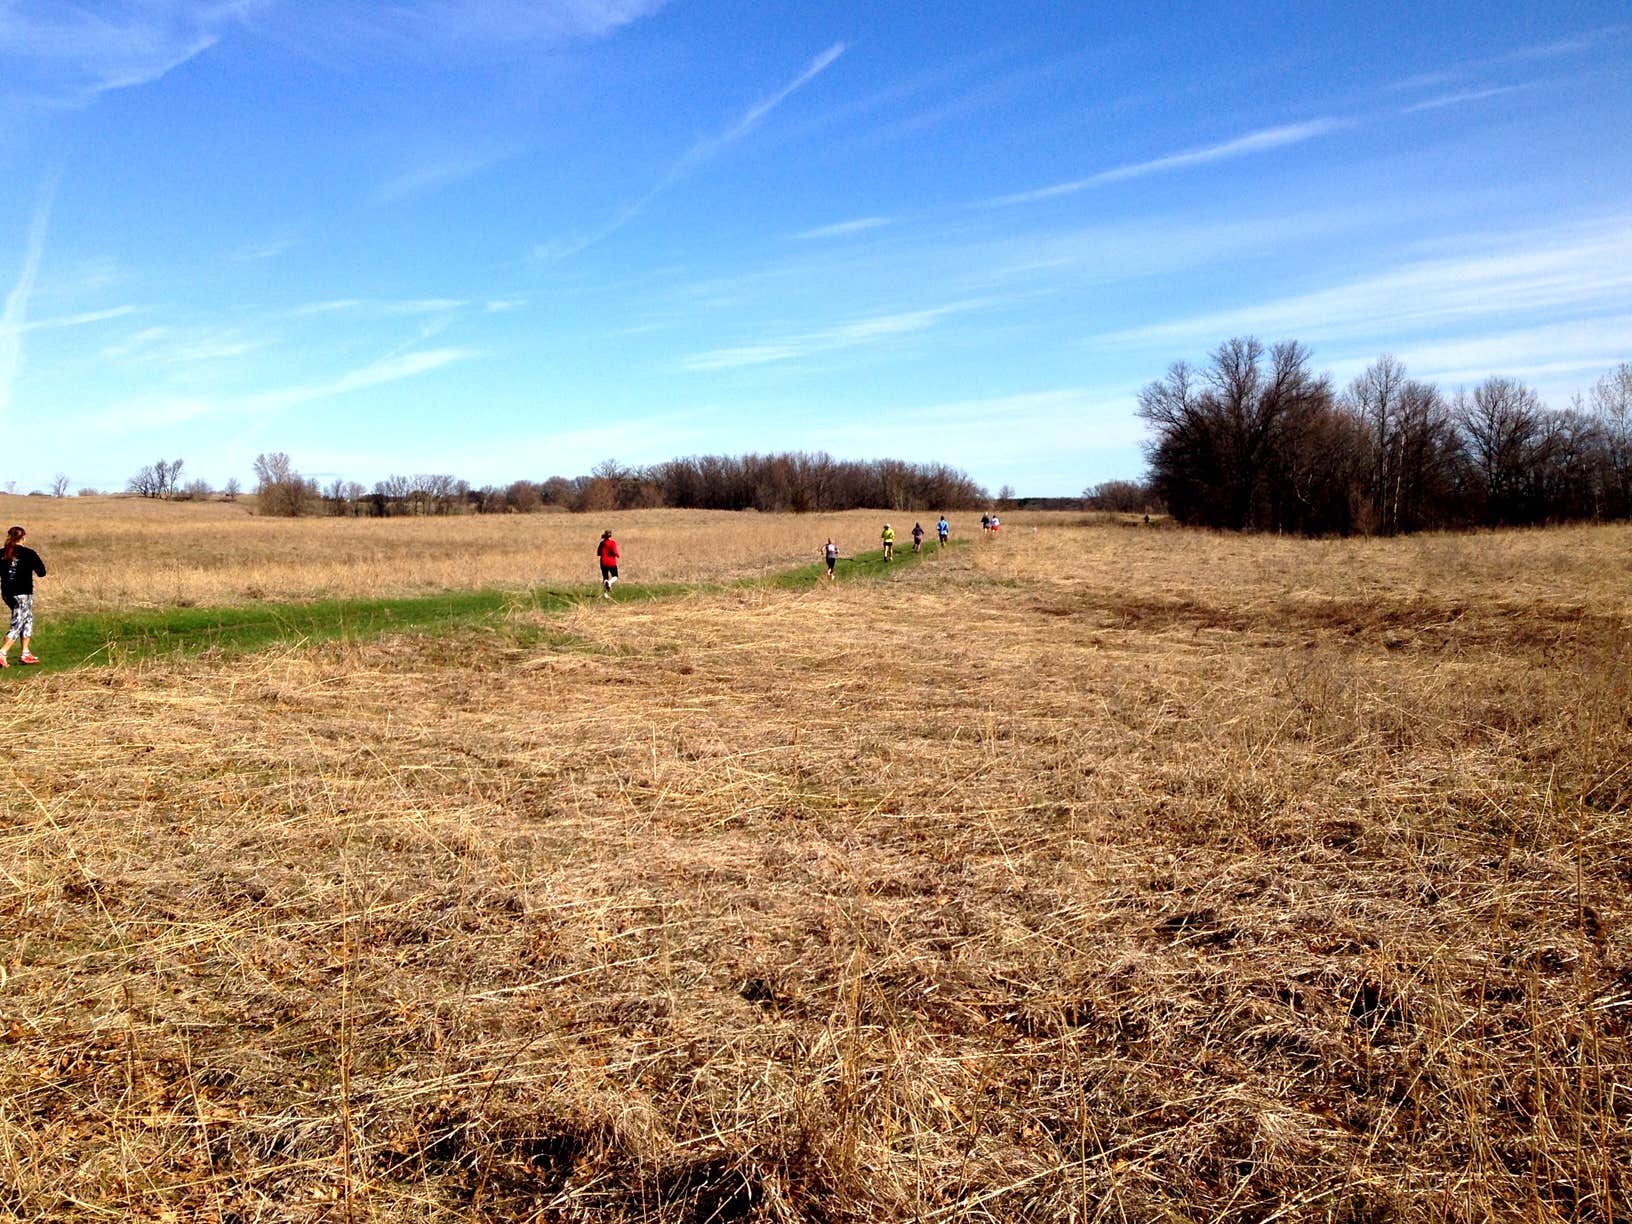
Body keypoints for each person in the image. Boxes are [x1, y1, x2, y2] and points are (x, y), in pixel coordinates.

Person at [1, 526, 46, 667]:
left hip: (7, 593)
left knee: (27, 619)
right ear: (23, 537)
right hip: (23, 594)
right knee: (18, 622)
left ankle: (25, 653)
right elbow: (42, 572)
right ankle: (2, 652)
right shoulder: (29, 553)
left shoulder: (1, 553)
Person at [596, 529, 621, 598]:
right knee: (615, 576)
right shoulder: (612, 543)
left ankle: (605, 594)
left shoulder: (602, 543)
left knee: (605, 578)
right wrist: (617, 555)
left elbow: (598, 553)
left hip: (603, 562)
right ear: (611, 535)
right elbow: (614, 552)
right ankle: (609, 583)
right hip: (611, 562)